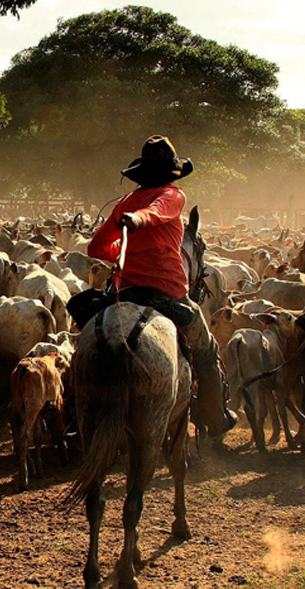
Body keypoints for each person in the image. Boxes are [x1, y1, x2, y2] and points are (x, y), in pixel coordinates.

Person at [74, 135, 235, 433]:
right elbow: (158, 210)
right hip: (167, 291)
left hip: (124, 291)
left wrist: (127, 244)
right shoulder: (174, 195)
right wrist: (138, 220)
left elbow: (96, 248)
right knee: (207, 350)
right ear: (172, 171)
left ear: (141, 172)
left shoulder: (125, 203)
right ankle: (215, 416)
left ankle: (75, 416)